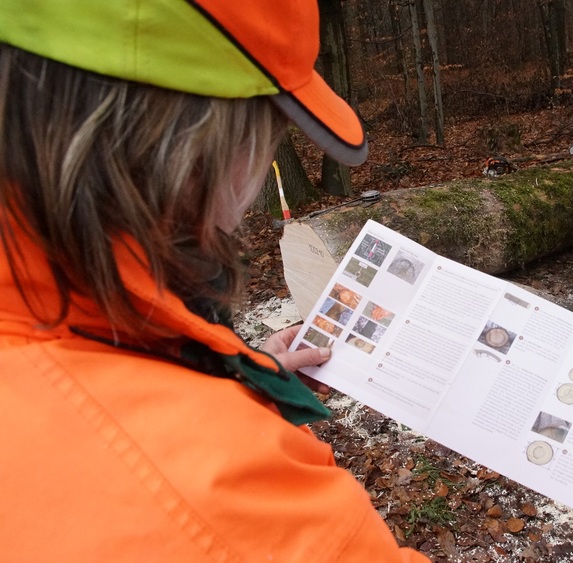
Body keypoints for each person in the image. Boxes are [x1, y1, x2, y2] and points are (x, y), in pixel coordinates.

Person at [0, 0, 428, 560]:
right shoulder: (235, 502)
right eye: (270, 137)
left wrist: (236, 384)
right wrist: (227, 430)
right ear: (193, 150)